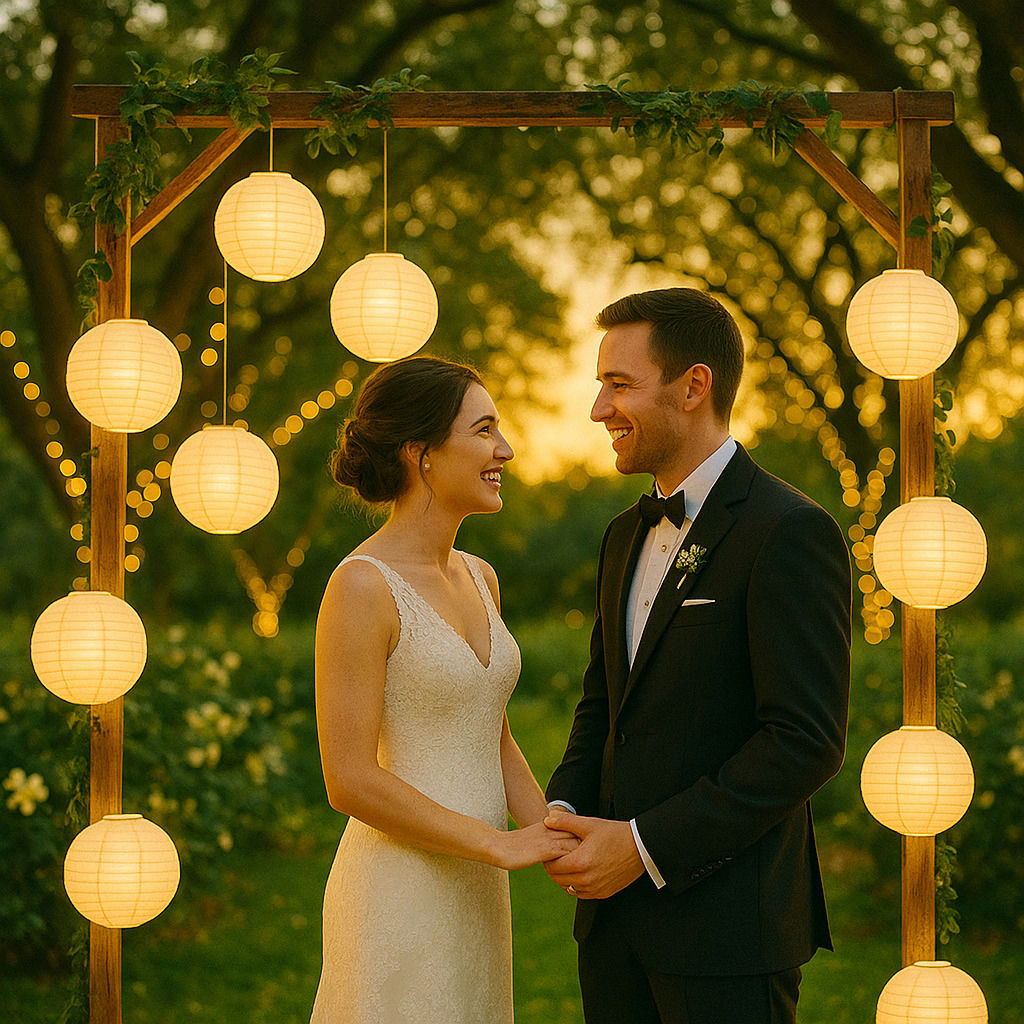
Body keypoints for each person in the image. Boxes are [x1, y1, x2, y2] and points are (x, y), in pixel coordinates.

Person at [543, 287, 852, 1024]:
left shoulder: (789, 532)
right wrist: (561, 812)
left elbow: (804, 742)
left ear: (693, 385)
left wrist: (644, 847)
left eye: (618, 384)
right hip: (613, 933)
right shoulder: (621, 536)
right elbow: (604, 703)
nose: (596, 409)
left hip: (731, 937)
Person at [309, 356, 577, 1024]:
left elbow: (495, 732)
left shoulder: (481, 576)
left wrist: (554, 833)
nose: (505, 451)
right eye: (485, 430)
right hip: (398, 890)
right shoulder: (361, 585)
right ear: (421, 452)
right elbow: (347, 779)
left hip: (478, 891)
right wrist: (496, 843)